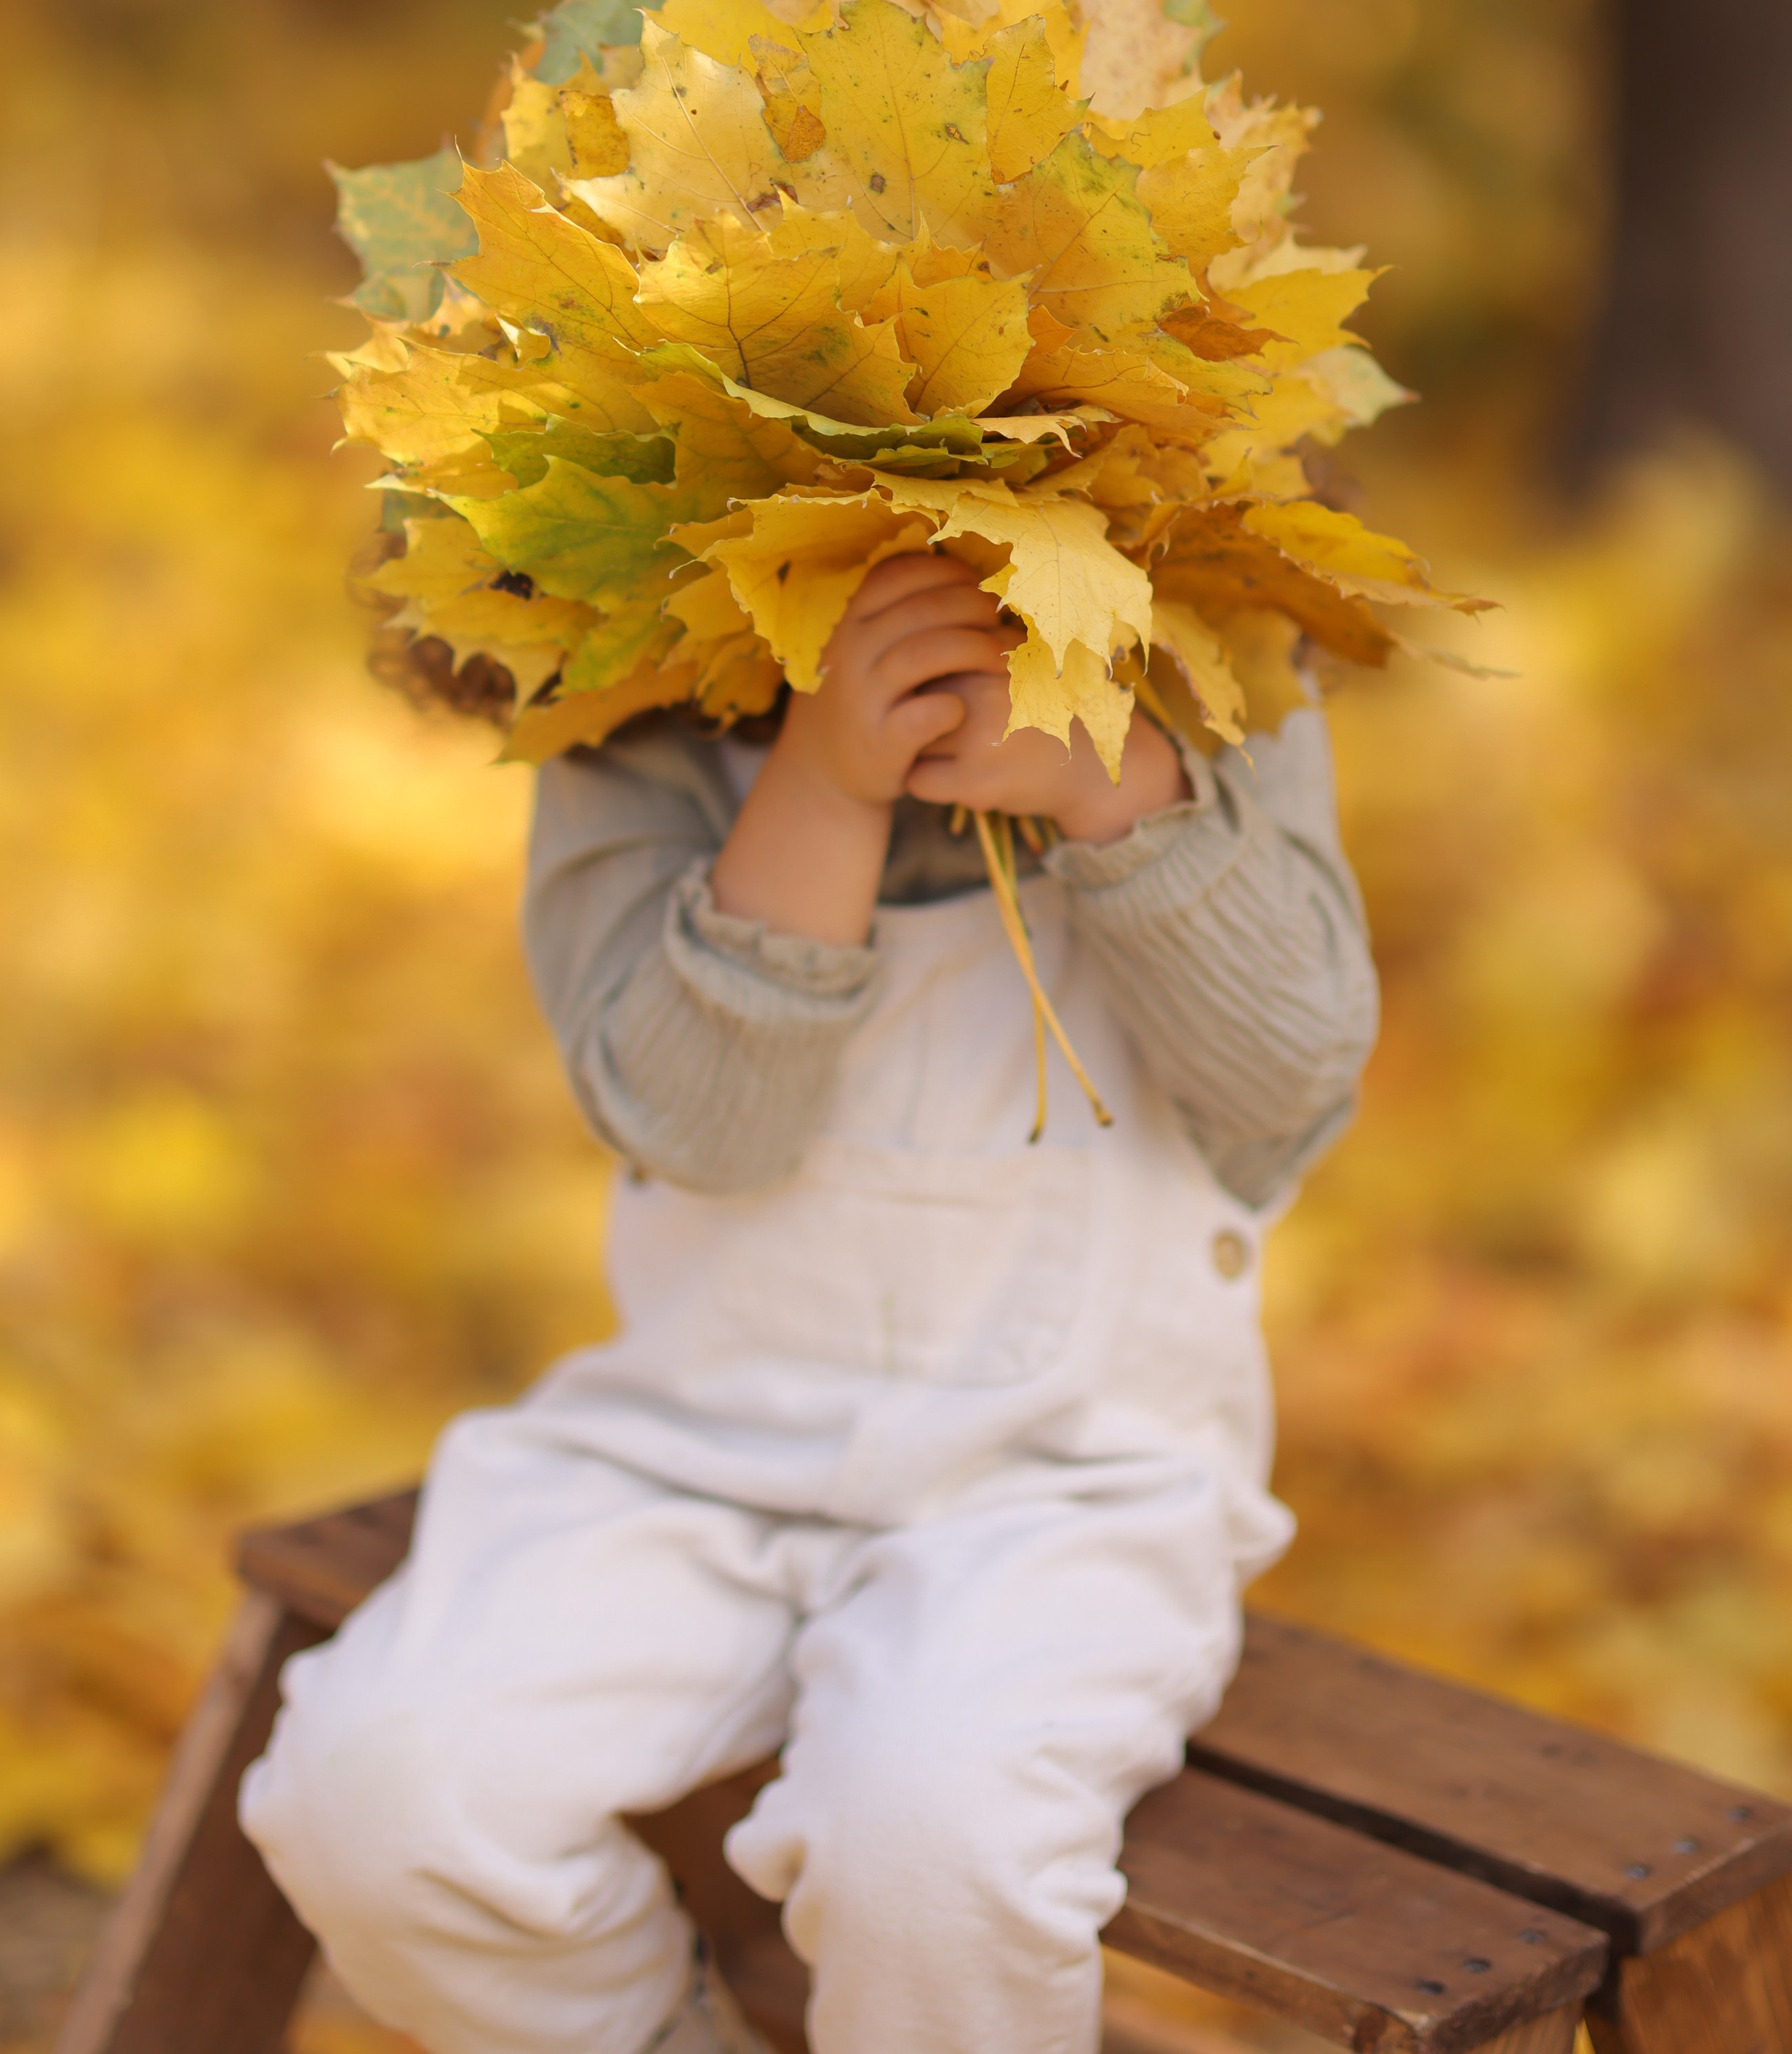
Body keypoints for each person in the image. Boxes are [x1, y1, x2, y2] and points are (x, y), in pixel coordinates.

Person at [241, 552, 1379, 2054]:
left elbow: (1287, 1081)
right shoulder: (627, 699)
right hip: (687, 1455)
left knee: (934, 1853)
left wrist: (1117, 784)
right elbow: (698, 1126)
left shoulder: (1209, 667)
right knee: (378, 1794)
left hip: (1064, 1489)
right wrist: (822, 787)